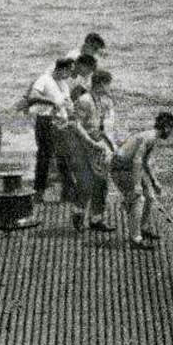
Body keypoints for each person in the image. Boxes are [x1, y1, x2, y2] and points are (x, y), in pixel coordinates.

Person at [110, 112, 173, 250]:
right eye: (171, 129)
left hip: (129, 168)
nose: (171, 133)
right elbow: (137, 161)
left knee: (150, 197)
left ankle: (142, 227)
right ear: (166, 128)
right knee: (138, 199)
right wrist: (136, 185)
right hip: (120, 169)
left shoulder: (153, 138)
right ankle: (136, 239)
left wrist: (154, 181)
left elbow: (145, 163)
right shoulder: (149, 137)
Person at [69, 70, 116, 232]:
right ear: (101, 83)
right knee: (86, 184)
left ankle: (97, 219)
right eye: (108, 83)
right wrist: (90, 142)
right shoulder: (84, 100)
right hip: (83, 145)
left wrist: (110, 144)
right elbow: (76, 125)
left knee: (101, 182)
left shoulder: (100, 101)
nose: (110, 87)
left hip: (97, 144)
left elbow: (101, 127)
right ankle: (78, 215)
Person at [27, 58, 75, 202]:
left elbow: (67, 104)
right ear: (61, 69)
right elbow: (32, 96)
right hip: (45, 120)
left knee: (63, 155)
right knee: (45, 156)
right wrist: (51, 101)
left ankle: (67, 192)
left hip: (60, 122)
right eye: (69, 70)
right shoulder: (45, 79)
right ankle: (38, 193)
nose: (70, 74)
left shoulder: (64, 85)